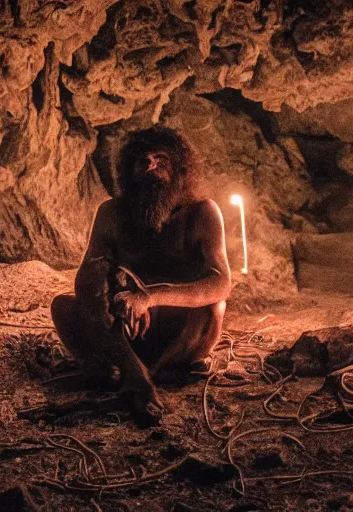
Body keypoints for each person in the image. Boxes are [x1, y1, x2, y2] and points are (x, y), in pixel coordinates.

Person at [51, 126, 230, 422]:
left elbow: (221, 283)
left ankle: (152, 373)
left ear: (180, 169)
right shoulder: (111, 214)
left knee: (213, 308)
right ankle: (130, 370)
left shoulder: (202, 213)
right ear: (128, 172)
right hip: (125, 332)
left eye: (161, 160)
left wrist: (150, 297)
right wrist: (130, 361)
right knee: (64, 307)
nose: (151, 167)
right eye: (142, 161)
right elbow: (87, 284)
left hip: (180, 333)